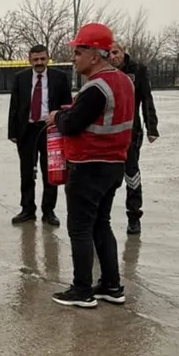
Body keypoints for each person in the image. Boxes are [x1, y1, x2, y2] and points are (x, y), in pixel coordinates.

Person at [45, 23, 134, 308]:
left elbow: (72, 125)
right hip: (114, 165)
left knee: (80, 228)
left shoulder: (96, 87)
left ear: (95, 56)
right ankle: (111, 285)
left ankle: (82, 290)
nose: (74, 58)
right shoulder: (124, 81)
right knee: (101, 224)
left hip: (88, 166)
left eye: (78, 52)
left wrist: (57, 117)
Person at [8, 45, 72, 227]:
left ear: (48, 58)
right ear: (30, 59)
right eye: (35, 59)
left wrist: (63, 127)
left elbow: (67, 105)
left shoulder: (60, 77)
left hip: (50, 130)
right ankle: (27, 209)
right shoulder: (20, 78)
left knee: (50, 171)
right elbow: (14, 106)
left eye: (42, 59)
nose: (39, 63)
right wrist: (13, 132)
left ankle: (48, 211)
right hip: (26, 131)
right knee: (27, 172)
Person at [109, 42, 160, 235]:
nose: (113, 57)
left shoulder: (137, 70)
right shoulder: (102, 71)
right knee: (106, 175)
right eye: (109, 53)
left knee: (131, 173)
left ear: (124, 52)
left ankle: (134, 215)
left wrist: (152, 127)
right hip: (107, 131)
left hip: (131, 130)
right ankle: (100, 217)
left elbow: (146, 98)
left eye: (116, 52)